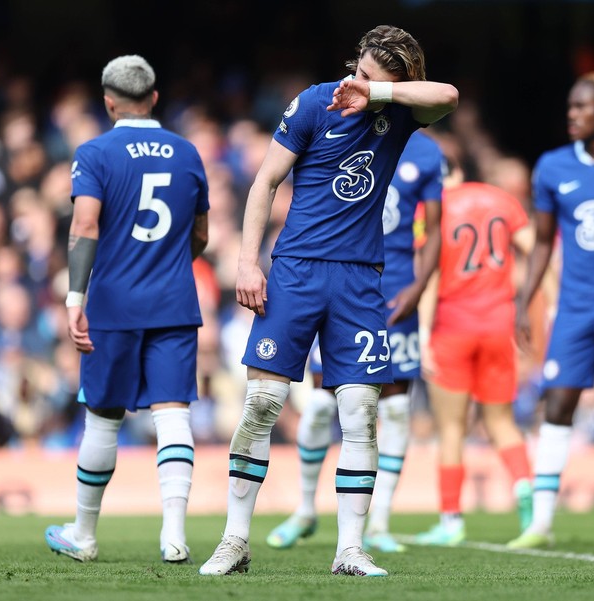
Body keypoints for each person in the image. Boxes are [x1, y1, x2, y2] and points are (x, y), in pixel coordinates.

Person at [198, 25, 458, 578]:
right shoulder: (316, 101)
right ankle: (234, 540)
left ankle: (350, 550)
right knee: (262, 404)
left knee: (361, 413)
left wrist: (380, 95)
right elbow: (265, 181)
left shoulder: (402, 114)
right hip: (295, 270)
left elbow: (448, 97)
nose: (356, 84)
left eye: (373, 79)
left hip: (361, 278)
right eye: (359, 71)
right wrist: (248, 261)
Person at [44, 55, 210, 563]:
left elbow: (85, 226)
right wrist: (164, 266)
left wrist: (75, 297)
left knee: (102, 417)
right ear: (155, 98)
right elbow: (201, 235)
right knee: (173, 413)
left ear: (108, 101)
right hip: (175, 302)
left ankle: (85, 535)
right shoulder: (187, 153)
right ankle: (175, 536)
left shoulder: (94, 152)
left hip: (114, 305)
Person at [265, 130, 444, 554]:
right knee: (321, 405)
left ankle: (379, 521)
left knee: (396, 408)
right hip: (342, 282)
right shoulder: (344, 130)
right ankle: (305, 510)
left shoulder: (428, 151)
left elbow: (436, 228)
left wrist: (419, 288)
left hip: (397, 290)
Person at [506, 72, 594, 550]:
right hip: (575, 305)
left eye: (583, 107)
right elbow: (542, 241)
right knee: (557, 402)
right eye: (570, 108)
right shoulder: (553, 166)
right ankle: (541, 522)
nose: (573, 115)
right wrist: (525, 302)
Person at [414, 165, 534, 547]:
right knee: (502, 422)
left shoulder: (431, 208)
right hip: (499, 323)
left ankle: (451, 522)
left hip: (452, 326)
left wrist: (422, 334)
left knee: (451, 429)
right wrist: (529, 304)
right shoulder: (503, 200)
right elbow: (536, 248)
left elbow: (429, 274)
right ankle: (529, 507)